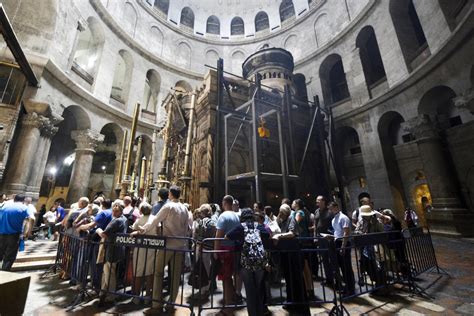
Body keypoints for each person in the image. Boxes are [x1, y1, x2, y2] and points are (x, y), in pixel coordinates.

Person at [142, 185, 190, 314]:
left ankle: (156, 304)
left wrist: (143, 229)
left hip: (167, 244)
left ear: (170, 194)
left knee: (158, 272)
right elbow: (187, 228)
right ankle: (171, 303)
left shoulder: (168, 206)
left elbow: (155, 220)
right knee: (175, 275)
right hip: (180, 245)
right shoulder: (184, 208)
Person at [226, 208, 270, 316]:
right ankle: (260, 312)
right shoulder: (258, 226)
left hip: (246, 264)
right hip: (259, 263)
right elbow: (267, 235)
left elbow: (227, 236)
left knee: (249, 291)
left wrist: (239, 241)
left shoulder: (241, 227)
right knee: (259, 290)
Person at [273, 204, 310, 315]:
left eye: (282, 212)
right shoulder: (282, 220)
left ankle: (300, 304)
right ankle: (291, 301)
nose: (281, 214)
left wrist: (279, 236)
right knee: (289, 279)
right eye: (280, 212)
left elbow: (292, 233)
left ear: (287, 212)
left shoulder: (291, 219)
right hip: (285, 253)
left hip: (293, 253)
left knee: (296, 278)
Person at [96, 200, 128, 305]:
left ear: (120, 212)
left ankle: (110, 295)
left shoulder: (117, 221)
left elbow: (104, 234)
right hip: (119, 249)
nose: (113, 213)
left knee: (109, 273)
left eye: (116, 211)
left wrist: (98, 230)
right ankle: (103, 292)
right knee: (108, 272)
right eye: (113, 211)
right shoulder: (124, 219)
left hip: (112, 250)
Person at [214, 195, 241, 313]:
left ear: (224, 203)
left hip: (225, 249)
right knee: (231, 276)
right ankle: (231, 301)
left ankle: (227, 305)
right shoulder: (236, 216)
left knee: (226, 277)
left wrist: (215, 251)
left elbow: (218, 235)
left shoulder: (223, 216)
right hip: (235, 249)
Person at [0, 194, 35, 271]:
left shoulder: (5, 206)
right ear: (23, 200)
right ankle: (4, 272)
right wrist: (29, 232)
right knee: (10, 255)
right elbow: (32, 218)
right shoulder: (24, 208)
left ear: (14, 199)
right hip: (14, 235)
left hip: (1, 234)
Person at [328, 201, 355, 296]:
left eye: (332, 208)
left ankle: (351, 289)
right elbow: (337, 231)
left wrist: (343, 246)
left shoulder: (343, 217)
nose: (331, 211)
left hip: (343, 243)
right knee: (342, 266)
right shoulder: (334, 218)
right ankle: (347, 287)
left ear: (336, 207)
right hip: (337, 242)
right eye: (330, 209)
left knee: (346, 266)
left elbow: (346, 232)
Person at [130, 202, 155, 304]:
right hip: (152, 247)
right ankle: (148, 297)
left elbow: (134, 229)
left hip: (140, 248)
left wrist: (136, 232)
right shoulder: (154, 218)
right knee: (150, 271)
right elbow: (159, 231)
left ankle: (136, 296)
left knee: (138, 271)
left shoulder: (139, 220)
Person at [192, 203, 217, 298]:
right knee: (208, 268)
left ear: (202, 213)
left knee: (202, 269)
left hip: (201, 248)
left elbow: (197, 235)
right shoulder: (213, 222)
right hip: (210, 249)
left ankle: (203, 290)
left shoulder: (202, 222)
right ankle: (207, 287)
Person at [314, 195, 334, 283]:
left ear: (323, 201)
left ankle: (336, 279)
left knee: (332, 259)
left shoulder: (330, 212)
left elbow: (333, 225)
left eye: (318, 201)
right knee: (324, 259)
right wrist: (315, 236)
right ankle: (329, 279)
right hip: (320, 238)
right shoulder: (316, 211)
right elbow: (315, 225)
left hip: (328, 238)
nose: (317, 202)